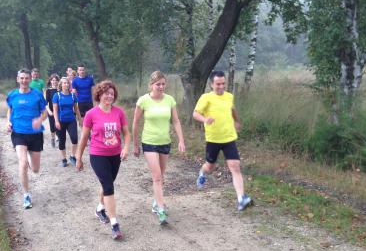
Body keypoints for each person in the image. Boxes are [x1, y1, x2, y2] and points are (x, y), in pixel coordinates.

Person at [75, 80, 130, 240]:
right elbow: (84, 138)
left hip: (115, 155)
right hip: (98, 154)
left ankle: (100, 208)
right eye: (106, 93)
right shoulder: (91, 114)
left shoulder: (119, 113)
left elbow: (126, 134)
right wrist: (78, 157)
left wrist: (126, 148)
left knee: (107, 185)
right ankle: (115, 225)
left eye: (112, 94)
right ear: (99, 95)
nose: (109, 96)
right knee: (108, 186)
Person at [193, 70, 252, 211]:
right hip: (213, 139)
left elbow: (232, 109)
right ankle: (202, 173)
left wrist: (237, 121)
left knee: (235, 166)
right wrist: (205, 119)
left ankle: (241, 199)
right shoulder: (206, 98)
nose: (221, 86)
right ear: (211, 84)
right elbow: (195, 113)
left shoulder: (229, 96)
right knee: (210, 166)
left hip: (229, 137)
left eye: (223, 83)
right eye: (218, 84)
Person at [132, 71, 185, 224]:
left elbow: (175, 121)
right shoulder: (143, 101)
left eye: (163, 84)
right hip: (149, 142)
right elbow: (135, 123)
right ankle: (161, 210)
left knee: (161, 176)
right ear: (151, 85)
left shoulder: (170, 100)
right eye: (158, 84)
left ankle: (156, 202)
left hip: (165, 142)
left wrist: (181, 140)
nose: (161, 87)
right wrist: (135, 145)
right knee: (156, 176)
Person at [6, 68, 48, 209]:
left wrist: (40, 119)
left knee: (35, 169)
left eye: (26, 78)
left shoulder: (37, 95)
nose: (24, 81)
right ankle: (26, 195)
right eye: (21, 78)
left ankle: (30, 159)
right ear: (18, 79)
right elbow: (10, 110)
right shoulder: (12, 95)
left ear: (30, 79)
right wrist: (8, 122)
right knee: (22, 163)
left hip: (35, 134)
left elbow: (44, 113)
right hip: (19, 133)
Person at [53, 77, 82, 167]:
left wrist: (80, 119)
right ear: (61, 85)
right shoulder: (56, 95)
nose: (66, 84)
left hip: (71, 120)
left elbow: (76, 109)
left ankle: (72, 156)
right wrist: (56, 121)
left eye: (67, 83)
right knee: (62, 140)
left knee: (74, 139)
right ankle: (63, 159)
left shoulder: (73, 95)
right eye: (64, 83)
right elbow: (55, 110)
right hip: (61, 121)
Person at [45, 74, 60, 148]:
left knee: (59, 125)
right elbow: (45, 103)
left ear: (58, 81)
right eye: (53, 80)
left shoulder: (60, 90)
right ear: (50, 81)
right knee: (52, 127)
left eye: (56, 80)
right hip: (51, 111)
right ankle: (53, 138)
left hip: (59, 111)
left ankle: (59, 138)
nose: (54, 82)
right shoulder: (48, 91)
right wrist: (49, 111)